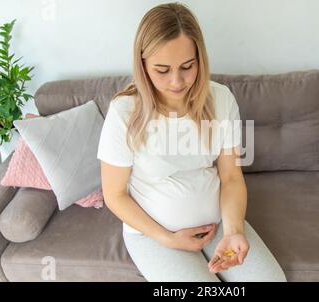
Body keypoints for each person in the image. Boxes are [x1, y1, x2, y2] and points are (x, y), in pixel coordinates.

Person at [97, 2, 286, 282]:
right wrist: (168, 238)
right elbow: (114, 195)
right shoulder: (124, 112)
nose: (177, 81)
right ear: (143, 64)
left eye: (187, 66)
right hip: (155, 235)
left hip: (218, 222)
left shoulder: (220, 99)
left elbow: (231, 176)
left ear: (200, 58)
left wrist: (234, 230)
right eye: (162, 70)